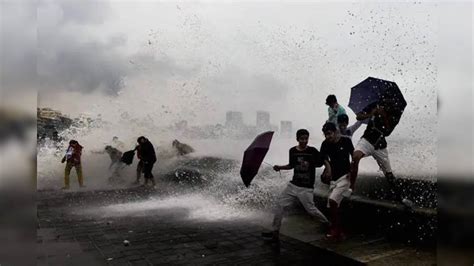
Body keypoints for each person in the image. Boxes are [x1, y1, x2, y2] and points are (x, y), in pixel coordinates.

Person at [262, 129, 331, 242]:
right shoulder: (292, 151)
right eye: (302, 139)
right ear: (297, 139)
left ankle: (328, 224)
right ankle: (275, 232)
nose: (304, 141)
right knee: (279, 205)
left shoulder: (312, 151)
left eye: (306, 138)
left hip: (306, 187)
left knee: (311, 210)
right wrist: (280, 167)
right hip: (293, 185)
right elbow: (291, 165)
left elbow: (324, 160)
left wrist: (328, 170)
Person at [350, 101, 413, 208]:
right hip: (367, 140)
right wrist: (371, 113)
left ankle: (401, 198)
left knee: (389, 174)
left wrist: (384, 116)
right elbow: (358, 117)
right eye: (385, 99)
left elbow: (387, 132)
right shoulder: (375, 104)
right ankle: (351, 188)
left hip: (380, 146)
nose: (386, 103)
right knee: (355, 157)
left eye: (389, 101)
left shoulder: (396, 113)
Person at [320, 122, 354, 241]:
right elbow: (323, 159)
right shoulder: (325, 144)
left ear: (335, 132)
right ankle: (338, 231)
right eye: (325, 135)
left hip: (345, 177)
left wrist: (352, 170)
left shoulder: (346, 141)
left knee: (333, 200)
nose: (327, 137)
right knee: (332, 206)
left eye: (329, 134)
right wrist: (328, 168)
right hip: (334, 179)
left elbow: (353, 157)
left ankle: (336, 230)